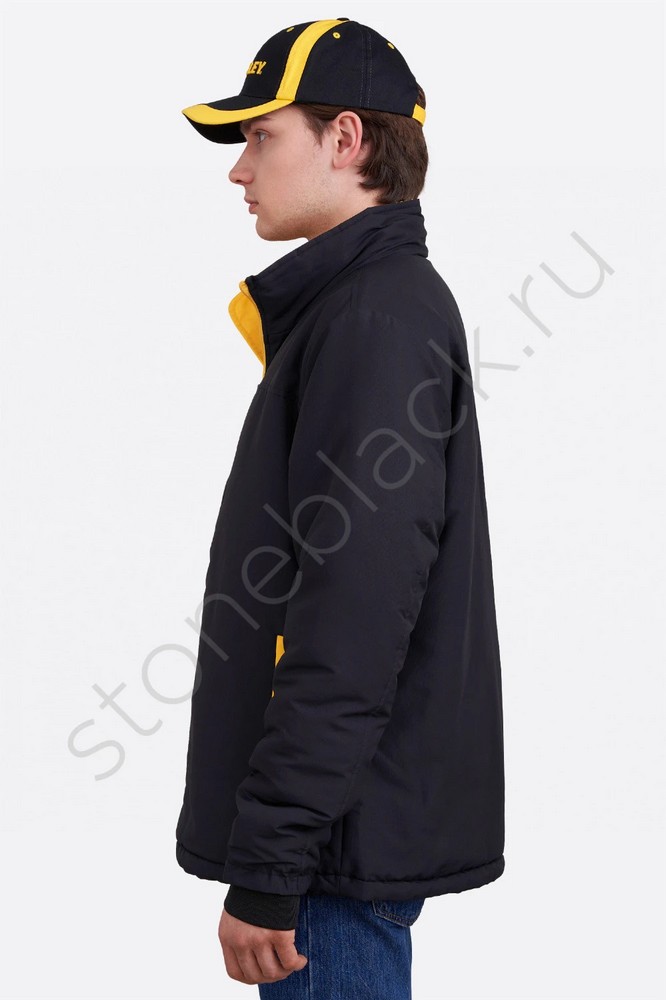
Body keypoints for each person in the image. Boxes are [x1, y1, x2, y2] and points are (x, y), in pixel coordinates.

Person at [175, 17, 506, 998]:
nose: (239, 170)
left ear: (347, 138)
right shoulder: (362, 309)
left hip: (329, 859)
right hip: (336, 839)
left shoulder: (376, 318)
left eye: (260, 136)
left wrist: (273, 862)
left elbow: (352, 617)